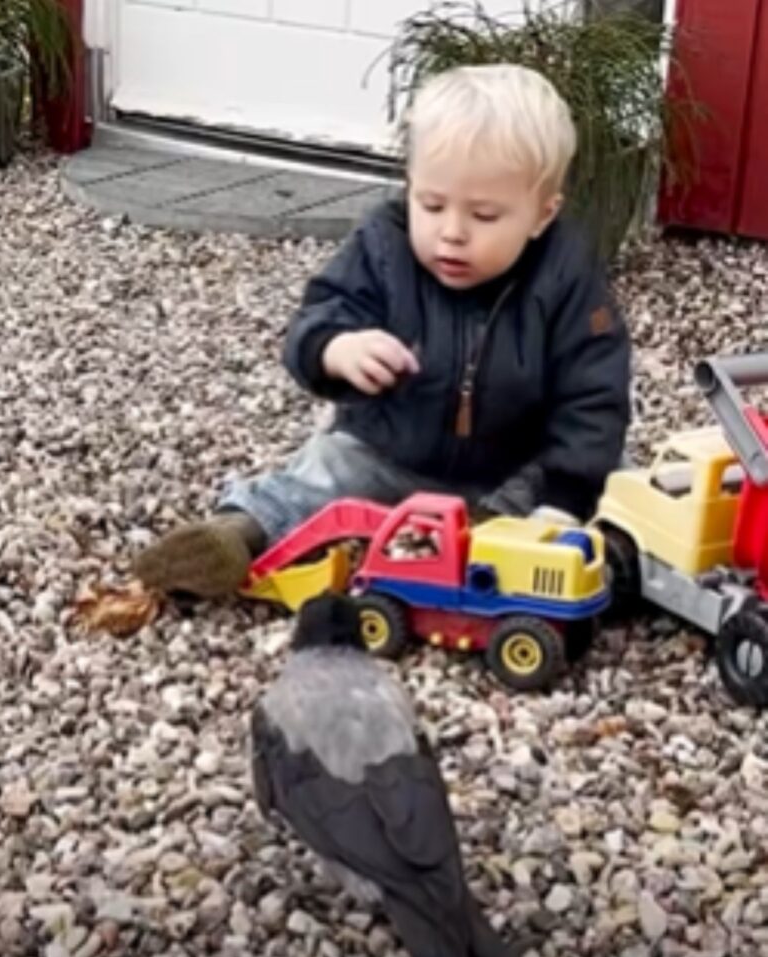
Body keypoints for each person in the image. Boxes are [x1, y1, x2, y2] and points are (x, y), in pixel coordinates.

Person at [134, 63, 631, 600]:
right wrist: (337, 349)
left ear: (541, 215)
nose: (452, 232)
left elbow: (595, 396)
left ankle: (488, 545)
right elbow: (317, 320)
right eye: (431, 204)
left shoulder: (566, 280)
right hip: (387, 455)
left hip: (506, 473)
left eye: (484, 216)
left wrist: (563, 499)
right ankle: (236, 533)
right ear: (411, 187)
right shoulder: (383, 247)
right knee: (325, 469)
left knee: (604, 481)